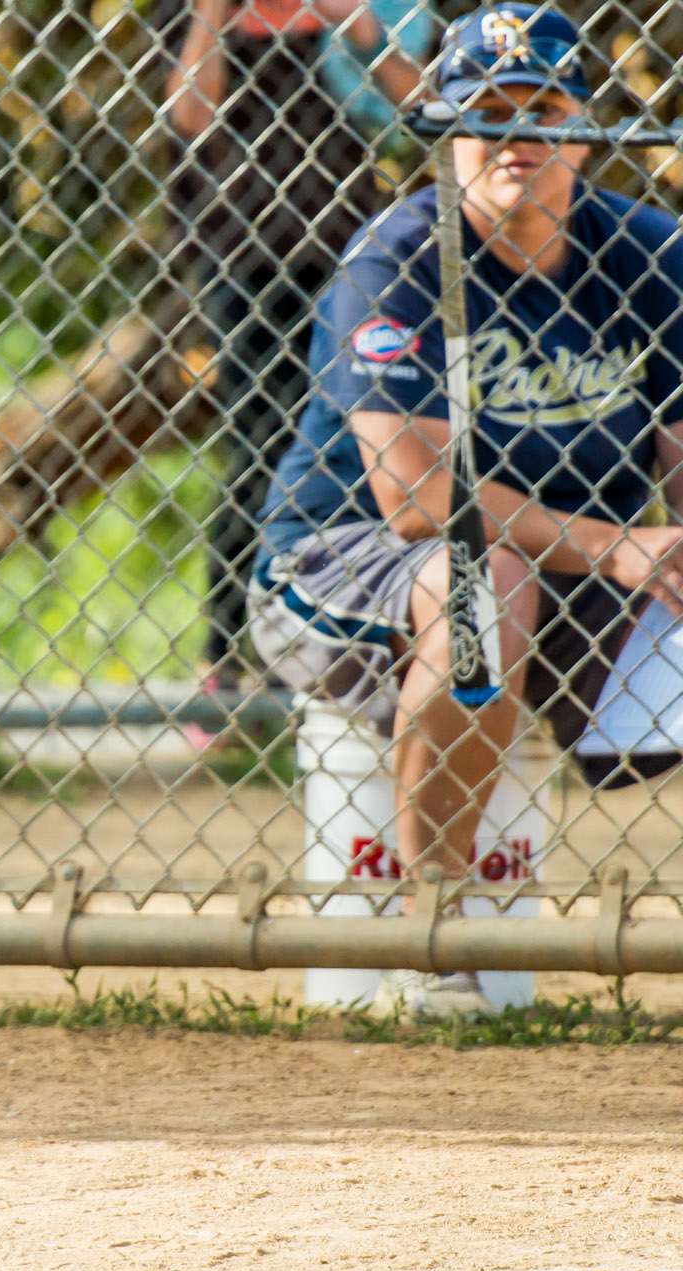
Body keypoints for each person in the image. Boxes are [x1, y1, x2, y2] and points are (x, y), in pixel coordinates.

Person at [252, 4, 683, 1013]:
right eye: (486, 111)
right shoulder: (396, 261)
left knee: (518, 578)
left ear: (584, 129)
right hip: (344, 564)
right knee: (488, 583)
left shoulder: (655, 255)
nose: (517, 134)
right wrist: (622, 546)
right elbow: (414, 498)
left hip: (582, 568)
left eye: (544, 107)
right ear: (445, 131)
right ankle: (434, 921)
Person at [164, 0, 433, 689]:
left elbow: (425, 111)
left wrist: (358, 28)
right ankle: (226, 654)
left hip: (346, 255)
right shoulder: (199, 12)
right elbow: (190, 117)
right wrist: (212, 17)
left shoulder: (354, 13)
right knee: (257, 443)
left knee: (353, 442)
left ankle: (335, 641)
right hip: (240, 254)